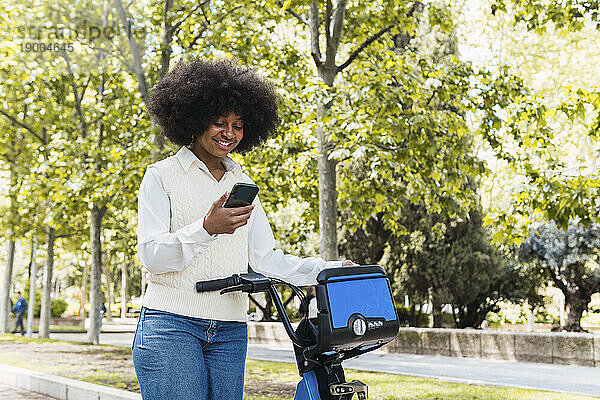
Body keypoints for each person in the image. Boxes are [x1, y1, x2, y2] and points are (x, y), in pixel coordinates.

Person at [133, 58, 355, 400]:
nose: (229, 133)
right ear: (193, 119)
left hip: (230, 330)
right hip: (171, 325)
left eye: (238, 125)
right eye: (219, 123)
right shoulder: (161, 176)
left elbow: (267, 259)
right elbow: (151, 256)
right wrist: (207, 229)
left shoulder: (242, 182)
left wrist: (329, 270)